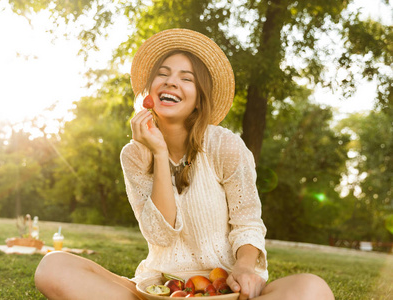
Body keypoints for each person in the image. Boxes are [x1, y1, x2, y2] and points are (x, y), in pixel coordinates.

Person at [34, 28, 335, 300]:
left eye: (186, 78)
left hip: (225, 291)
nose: (171, 81)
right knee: (53, 266)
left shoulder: (224, 145)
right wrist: (159, 153)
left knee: (312, 289)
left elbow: (247, 222)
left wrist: (244, 268)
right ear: (150, 91)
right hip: (158, 290)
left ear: (199, 101)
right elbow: (160, 235)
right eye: (163, 74)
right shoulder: (134, 155)